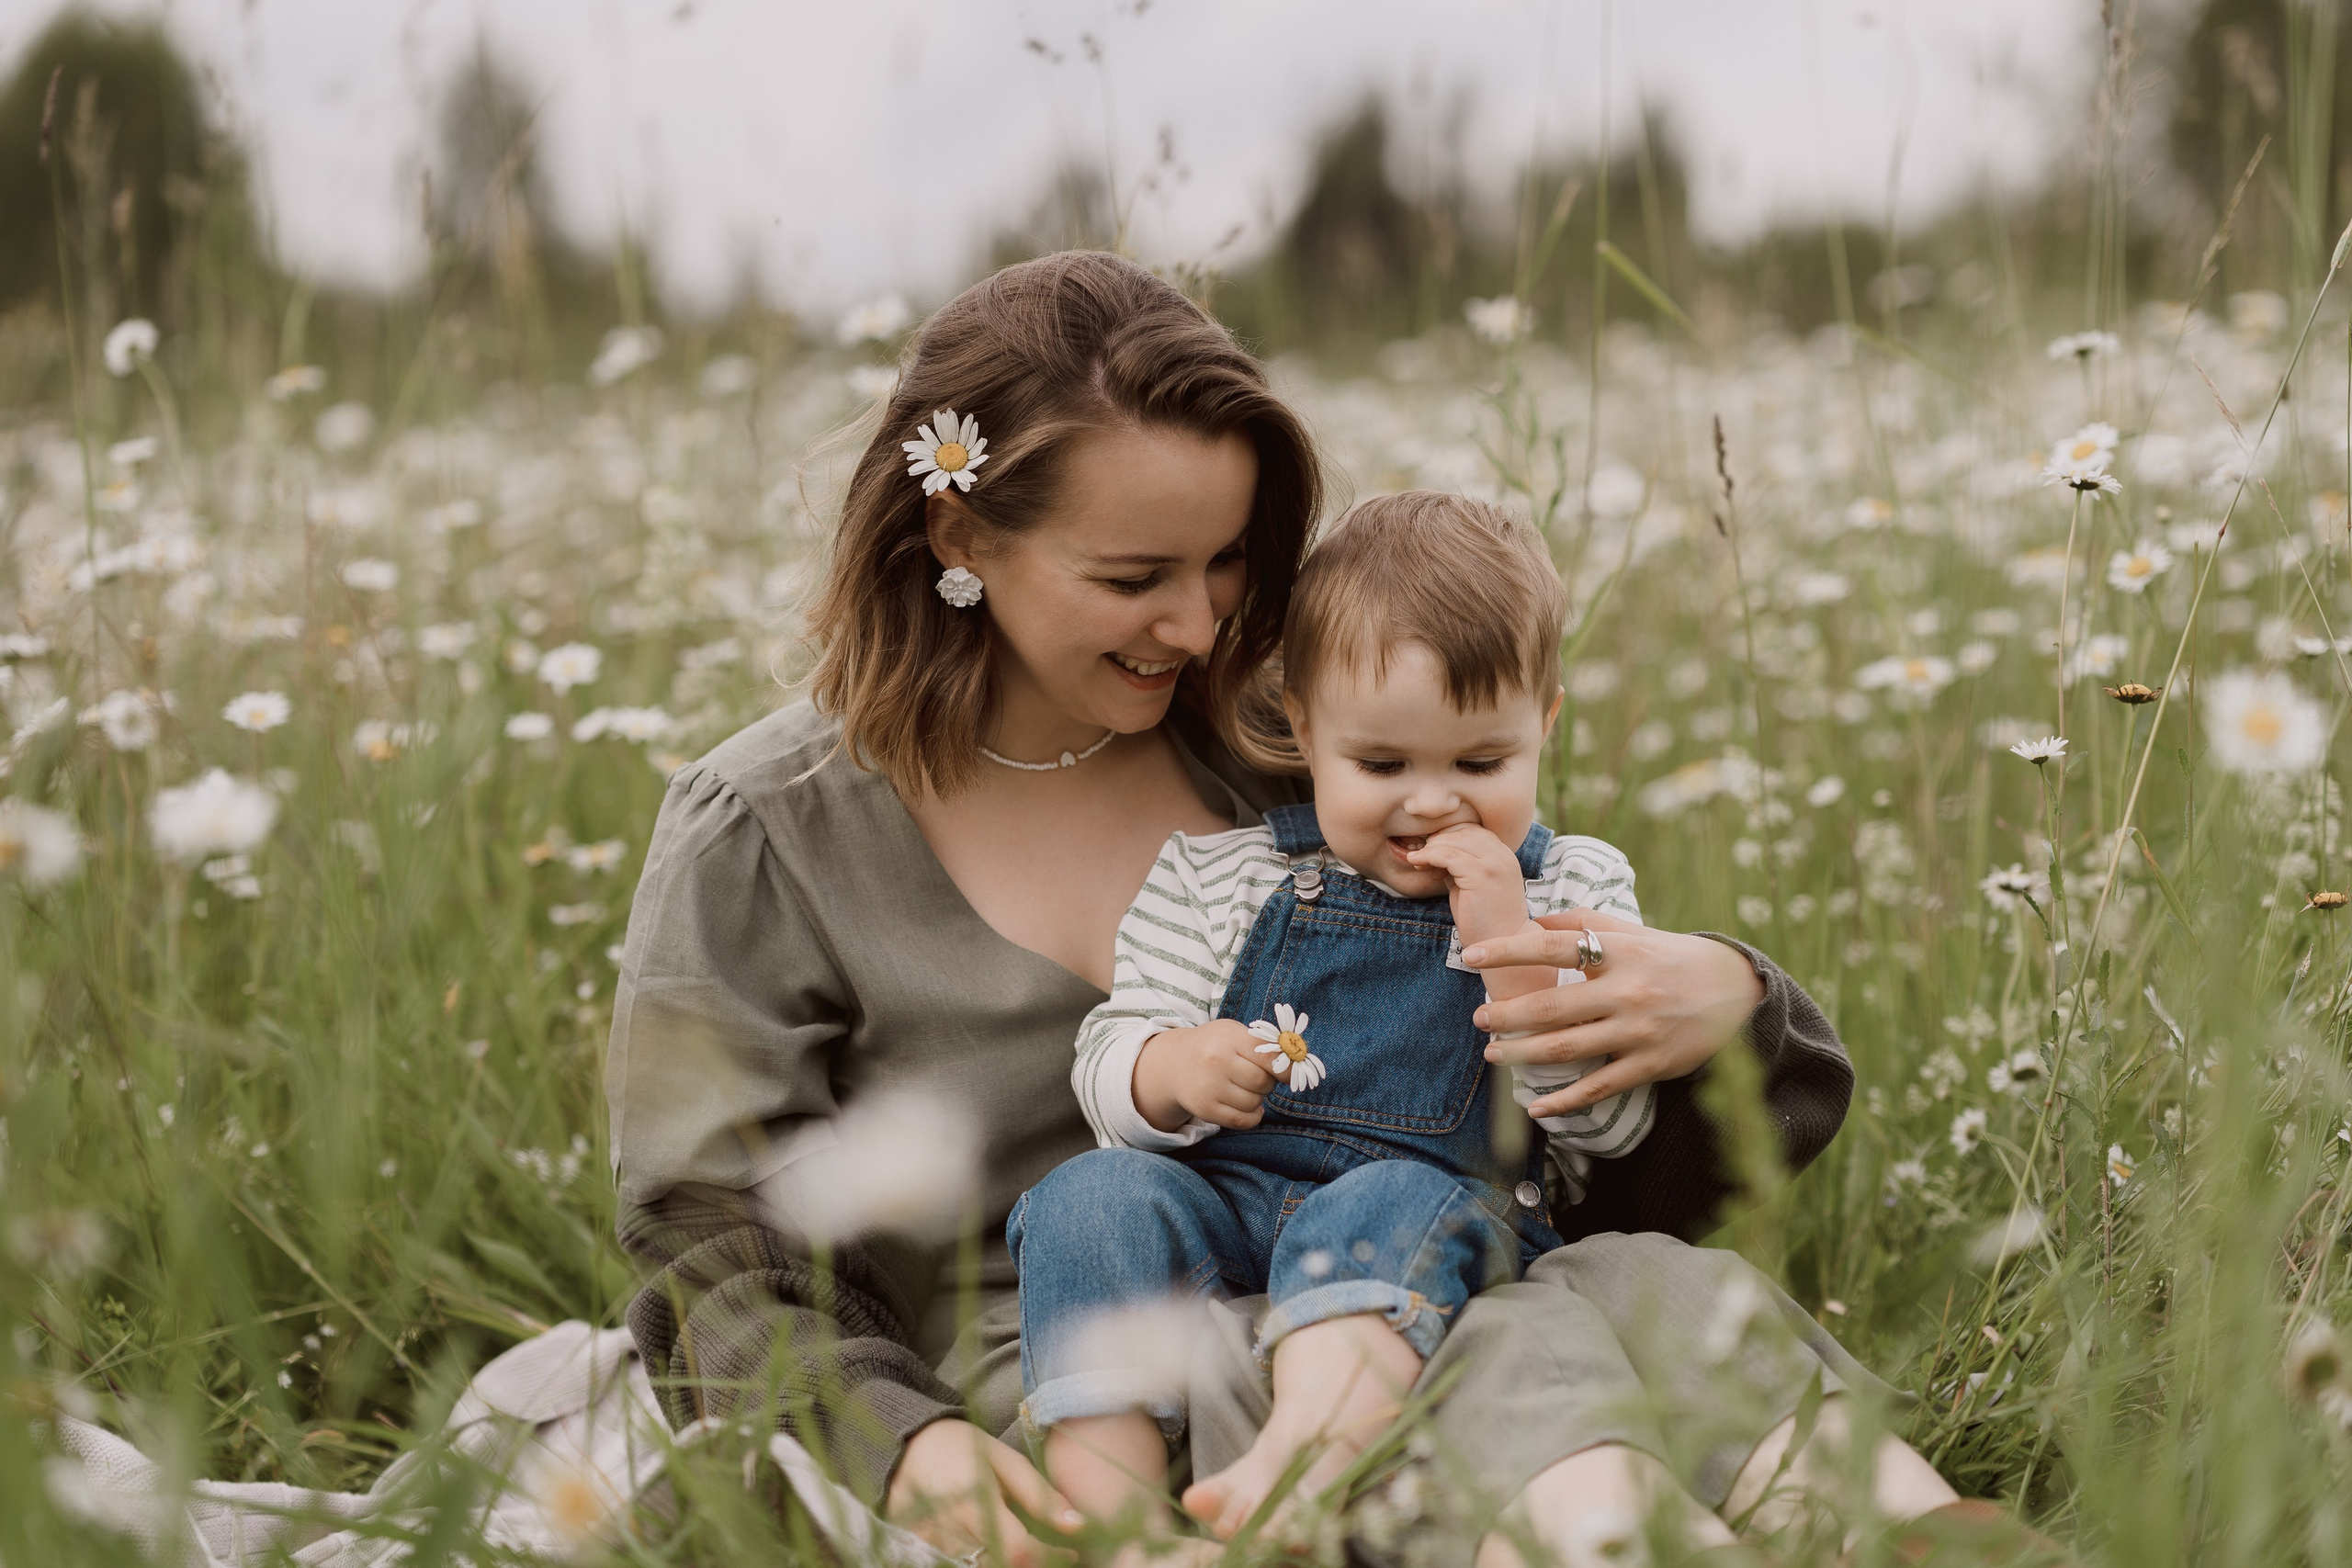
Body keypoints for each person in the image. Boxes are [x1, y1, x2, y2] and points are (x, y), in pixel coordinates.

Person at [605, 251, 1977, 1568]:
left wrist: (1723, 1007)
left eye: (1227, 564)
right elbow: (709, 1238)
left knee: (1631, 1293)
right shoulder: (768, 827)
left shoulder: (1304, 747)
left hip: (1427, 1263)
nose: (1202, 626)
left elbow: (1595, 1156)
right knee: (1519, 1350)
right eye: (1134, 578)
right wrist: (896, 1445)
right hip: (1113, 1375)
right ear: (959, 530)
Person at [1009, 491, 1664, 1542]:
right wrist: (1168, 1071)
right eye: (1383, 765)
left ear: (1544, 723)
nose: (1432, 804)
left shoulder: (1574, 888)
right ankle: (1108, 1508)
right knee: (1090, 1197)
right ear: (1304, 728)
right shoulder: (1219, 876)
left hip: (1435, 1221)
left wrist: (1510, 949)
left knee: (1392, 1192)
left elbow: (1610, 1123)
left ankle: (1307, 1469)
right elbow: (1107, 1055)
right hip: (1231, 1204)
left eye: (1481, 765)